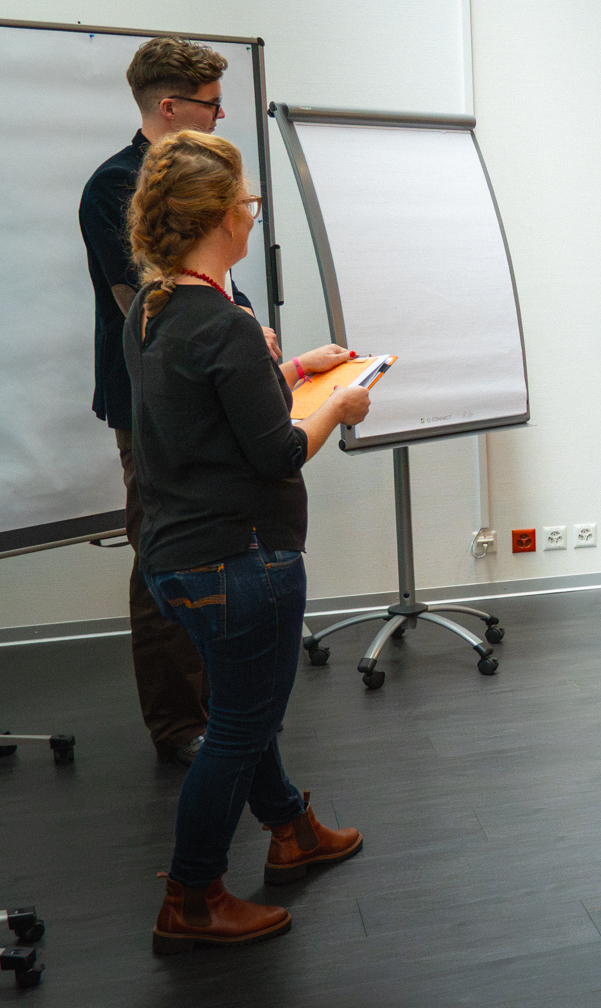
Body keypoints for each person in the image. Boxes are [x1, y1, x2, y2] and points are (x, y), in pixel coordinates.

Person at [125, 129, 371, 953]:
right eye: (247, 203)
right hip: (239, 558)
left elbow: (206, 408)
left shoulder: (153, 311)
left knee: (244, 705)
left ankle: (292, 829)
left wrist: (292, 371)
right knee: (238, 726)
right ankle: (192, 898)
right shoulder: (224, 323)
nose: (250, 214)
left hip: (173, 556)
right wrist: (337, 406)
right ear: (219, 218)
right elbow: (276, 451)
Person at [78, 36, 348, 768]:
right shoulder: (115, 186)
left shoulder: (199, 176)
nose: (220, 117)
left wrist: (261, 346)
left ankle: (234, 717)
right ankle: (182, 725)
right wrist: (239, 338)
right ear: (170, 107)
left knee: (227, 553)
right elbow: (148, 305)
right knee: (168, 554)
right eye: (210, 106)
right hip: (159, 403)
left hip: (221, 379)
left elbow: (217, 288)